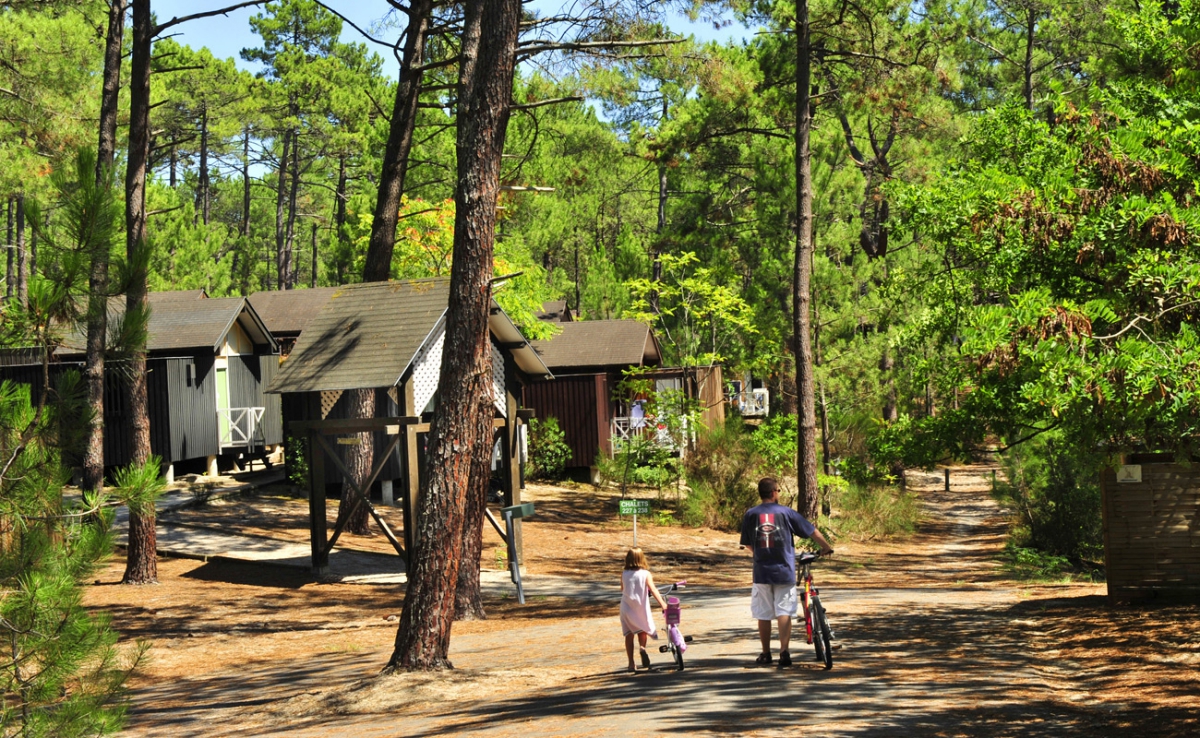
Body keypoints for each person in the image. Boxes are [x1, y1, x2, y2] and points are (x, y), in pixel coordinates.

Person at [740, 477, 834, 668]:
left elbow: (747, 543)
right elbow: (812, 531)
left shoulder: (750, 514)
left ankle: (766, 654)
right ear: (774, 492)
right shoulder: (786, 512)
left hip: (761, 572)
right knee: (784, 611)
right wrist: (826, 547)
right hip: (784, 570)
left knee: (764, 614)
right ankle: (784, 652)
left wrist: (759, 554)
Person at [620, 547, 669, 672]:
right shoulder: (645, 574)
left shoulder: (624, 574)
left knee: (629, 635)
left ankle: (631, 663)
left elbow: (622, 589)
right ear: (642, 558)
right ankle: (642, 648)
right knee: (642, 629)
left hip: (626, 607)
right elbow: (653, 589)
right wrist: (663, 604)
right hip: (640, 606)